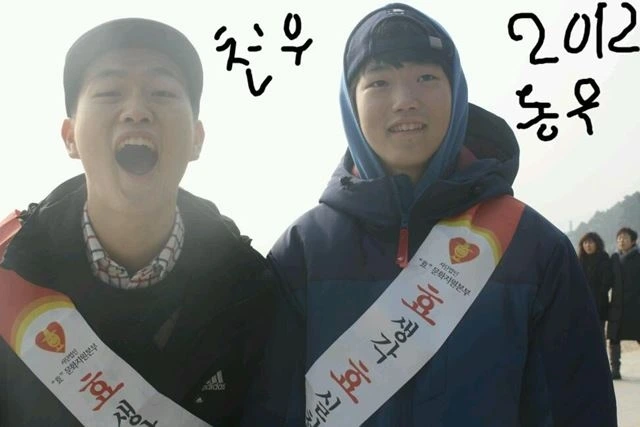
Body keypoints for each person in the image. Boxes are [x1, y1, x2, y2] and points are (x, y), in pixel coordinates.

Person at [242, 3, 617, 426]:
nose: (405, 101)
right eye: (379, 82)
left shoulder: (535, 248)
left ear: (456, 92)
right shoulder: (303, 251)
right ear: (350, 103)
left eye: (426, 78)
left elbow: (577, 409)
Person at [0, 18, 275, 426]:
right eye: (109, 93)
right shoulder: (8, 278)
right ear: (70, 137)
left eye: (162, 93)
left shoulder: (254, 292)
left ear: (197, 138)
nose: (136, 112)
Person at [607, 227, 640, 380]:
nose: (621, 240)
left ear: (633, 241)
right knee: (614, 338)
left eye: (625, 238)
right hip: (617, 305)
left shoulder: (638, 257)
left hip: (636, 305)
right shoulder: (614, 259)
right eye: (619, 238)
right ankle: (615, 370)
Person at [578, 232, 613, 338]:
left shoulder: (604, 258)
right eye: (585, 243)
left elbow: (607, 281)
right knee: (583, 334)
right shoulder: (579, 260)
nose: (588, 245)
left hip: (599, 303)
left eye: (591, 242)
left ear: (597, 244)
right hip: (582, 303)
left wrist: (599, 294)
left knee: (599, 334)